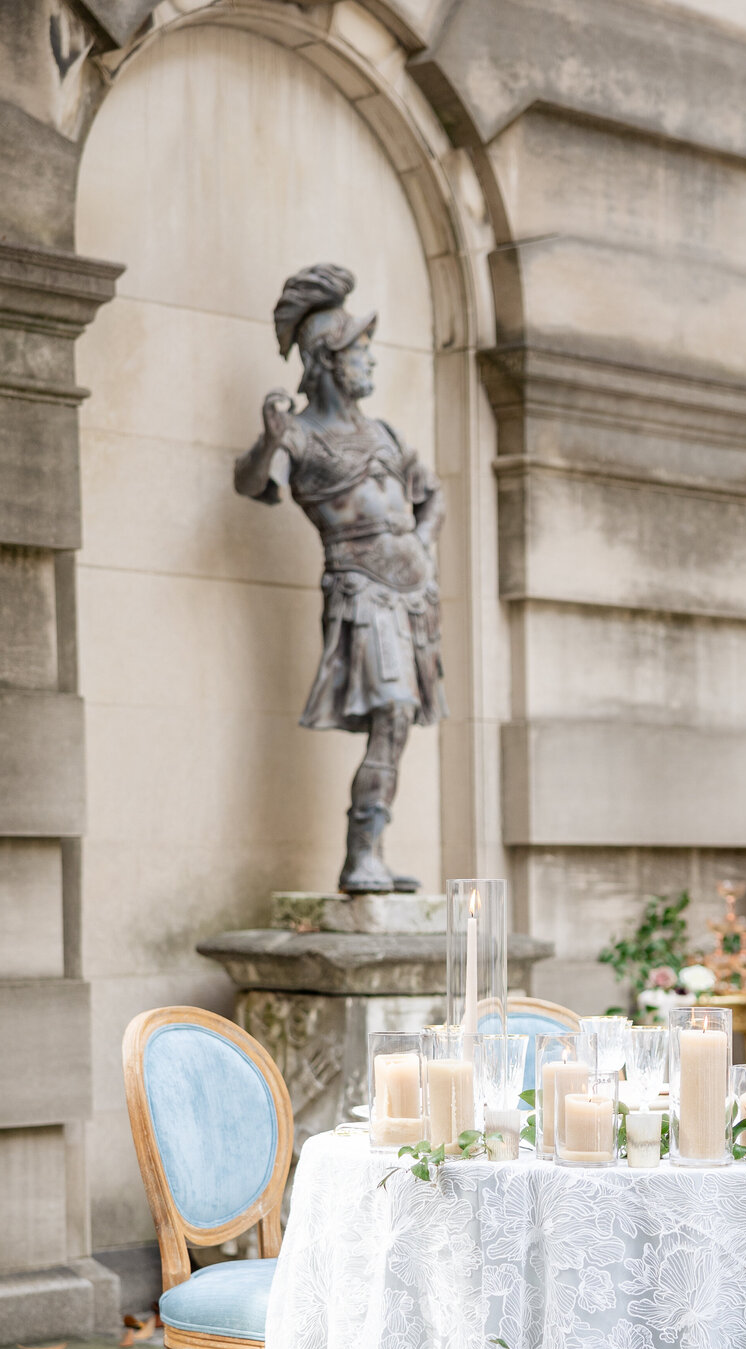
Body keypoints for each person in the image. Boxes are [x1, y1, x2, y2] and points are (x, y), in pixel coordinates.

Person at [235, 264, 446, 893]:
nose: (372, 364)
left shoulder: (384, 434)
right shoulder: (299, 434)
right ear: (327, 359)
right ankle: (362, 855)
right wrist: (268, 443)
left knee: (401, 719)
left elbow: (433, 495)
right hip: (361, 594)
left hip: (412, 595)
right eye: (362, 352)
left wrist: (424, 550)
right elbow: (249, 484)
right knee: (396, 711)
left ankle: (371, 852)